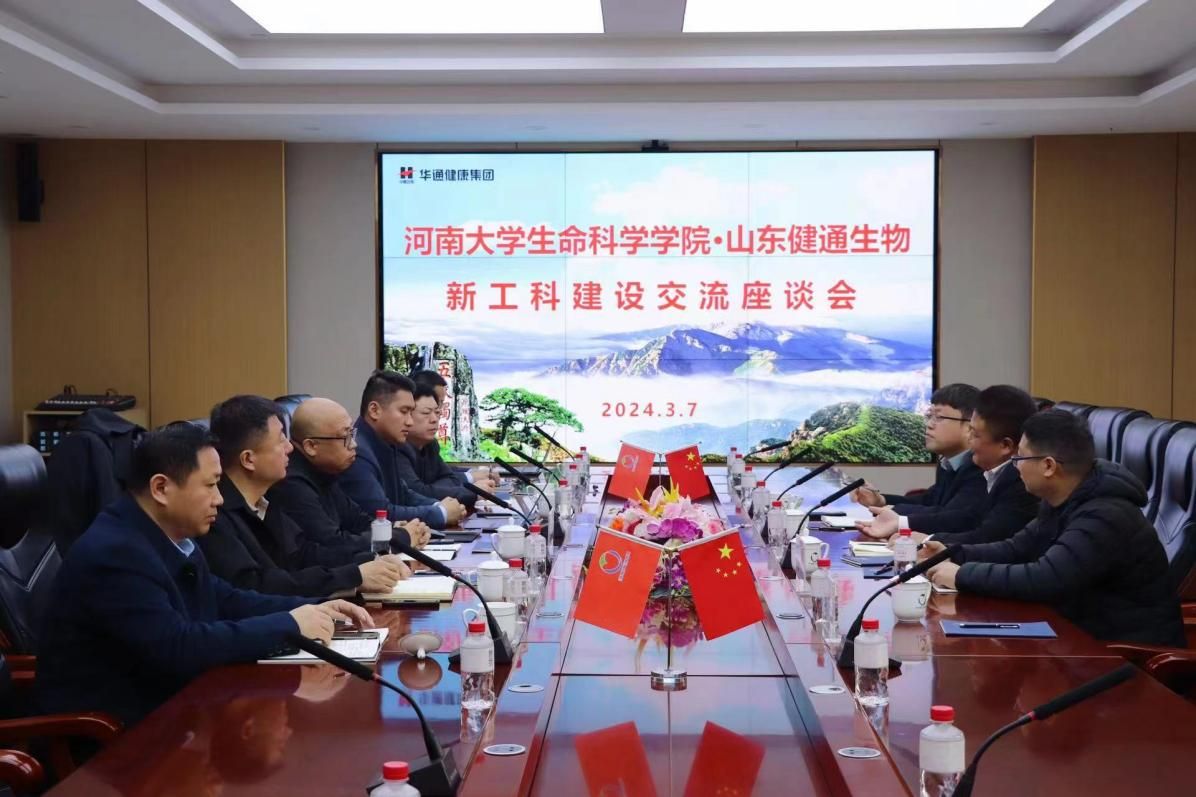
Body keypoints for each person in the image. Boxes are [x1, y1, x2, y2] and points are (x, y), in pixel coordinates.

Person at [36, 423, 374, 727]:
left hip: (174, 708)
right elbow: (178, 646)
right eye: (211, 485)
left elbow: (223, 597)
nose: (219, 499)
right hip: (115, 736)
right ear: (161, 488)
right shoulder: (116, 553)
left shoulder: (167, 534)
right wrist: (289, 625)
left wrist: (313, 607)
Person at [925, 409, 1185, 647]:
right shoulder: (1064, 498)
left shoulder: (1106, 516)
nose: (1015, 466)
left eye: (1020, 457)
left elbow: (1046, 578)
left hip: (1123, 655)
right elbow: (1016, 548)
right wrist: (950, 553)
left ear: (1048, 466)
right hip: (1076, 639)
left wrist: (962, 575)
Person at [200, 395, 409, 597]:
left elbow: (304, 555)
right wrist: (354, 576)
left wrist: (371, 560)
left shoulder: (264, 502)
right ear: (248, 459)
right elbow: (258, 586)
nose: (290, 447)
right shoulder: (215, 516)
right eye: (281, 440)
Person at [858, 385, 1040, 544]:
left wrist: (919, 535)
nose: (929, 425)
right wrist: (886, 505)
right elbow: (963, 514)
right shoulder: (982, 469)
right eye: (929, 416)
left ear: (1005, 446)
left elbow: (978, 531)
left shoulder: (1017, 480)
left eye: (975, 434)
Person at [268, 397, 433, 558]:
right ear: (311, 446)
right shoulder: (291, 483)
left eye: (352, 434)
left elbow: (357, 521)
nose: (354, 444)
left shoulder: (323, 471)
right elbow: (334, 545)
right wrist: (401, 537)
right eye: (345, 437)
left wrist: (393, 529)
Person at [340, 371, 466, 529]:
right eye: (404, 412)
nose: (410, 422)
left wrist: (438, 505)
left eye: (411, 413)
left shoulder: (385, 442)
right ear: (374, 410)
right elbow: (381, 515)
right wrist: (441, 513)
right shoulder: (357, 451)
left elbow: (404, 494)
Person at [853, 383, 986, 529]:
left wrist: (894, 511)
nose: (929, 424)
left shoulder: (981, 466)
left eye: (938, 417)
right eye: (929, 416)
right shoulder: (948, 462)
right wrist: (881, 500)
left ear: (970, 426)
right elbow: (929, 500)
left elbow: (954, 517)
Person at [395, 384, 481, 507]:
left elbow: (451, 478)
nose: (434, 419)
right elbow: (417, 491)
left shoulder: (431, 444)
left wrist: (430, 488)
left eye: (437, 412)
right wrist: (473, 493)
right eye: (426, 413)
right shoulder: (397, 447)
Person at [411, 369, 499, 488]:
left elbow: (444, 473)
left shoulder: (430, 444)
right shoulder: (398, 447)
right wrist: (472, 481)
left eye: (439, 404)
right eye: (438, 402)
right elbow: (423, 488)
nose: (437, 413)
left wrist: (472, 472)